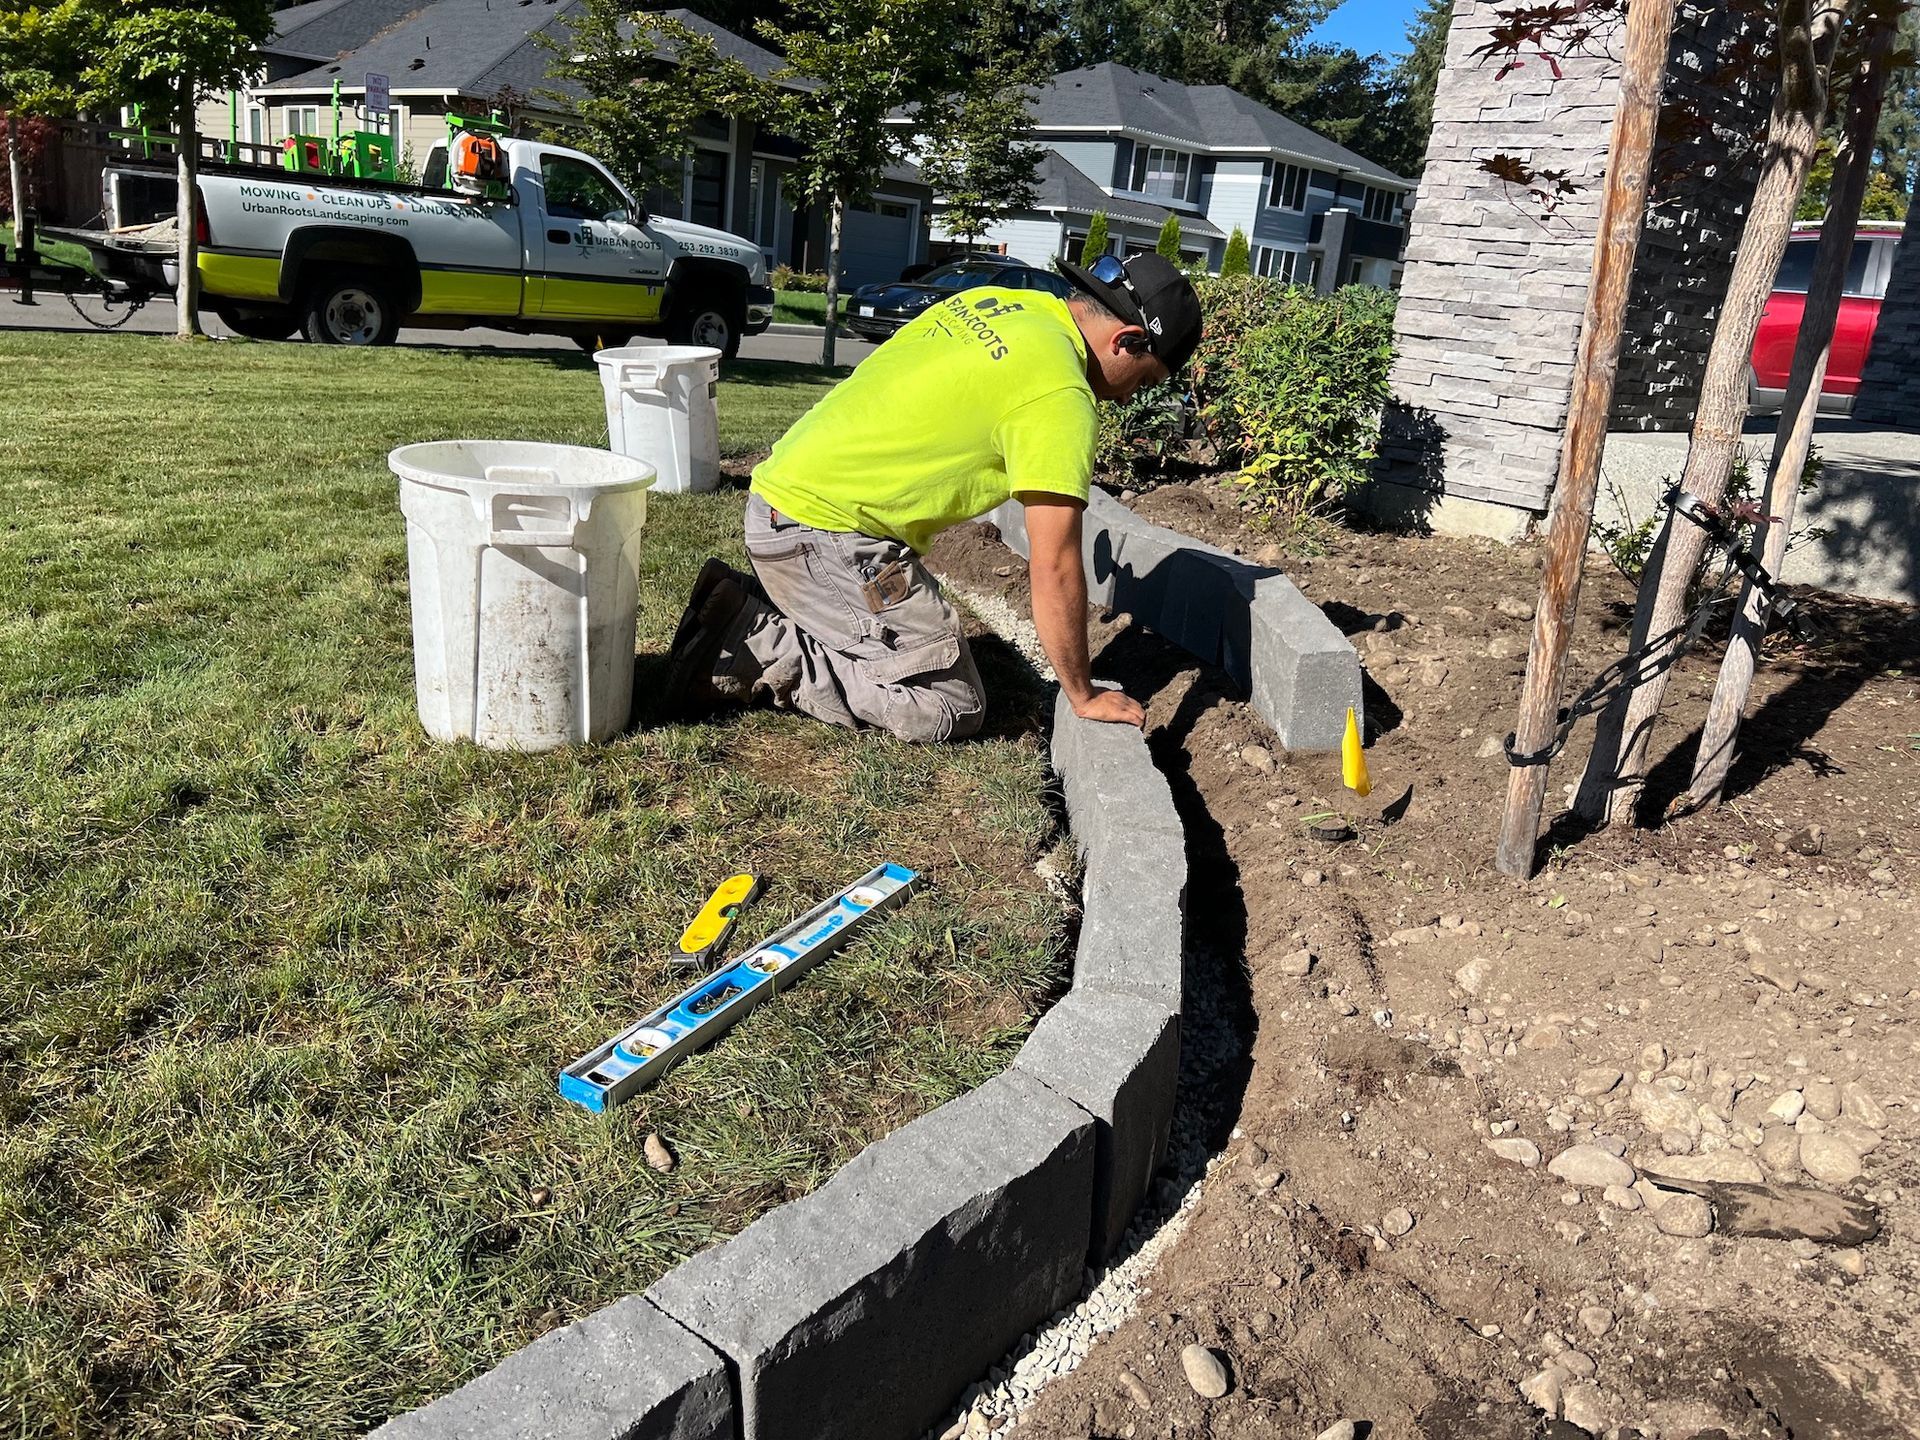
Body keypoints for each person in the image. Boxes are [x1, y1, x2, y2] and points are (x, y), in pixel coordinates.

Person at [662, 252, 1203, 741]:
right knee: (950, 705)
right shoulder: (1060, 395)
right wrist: (1081, 694)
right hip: (822, 536)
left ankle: (744, 605)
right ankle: (755, 644)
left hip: (783, 501)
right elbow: (1055, 564)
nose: (1132, 396)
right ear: (1126, 340)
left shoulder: (1005, 304)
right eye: (1146, 380)